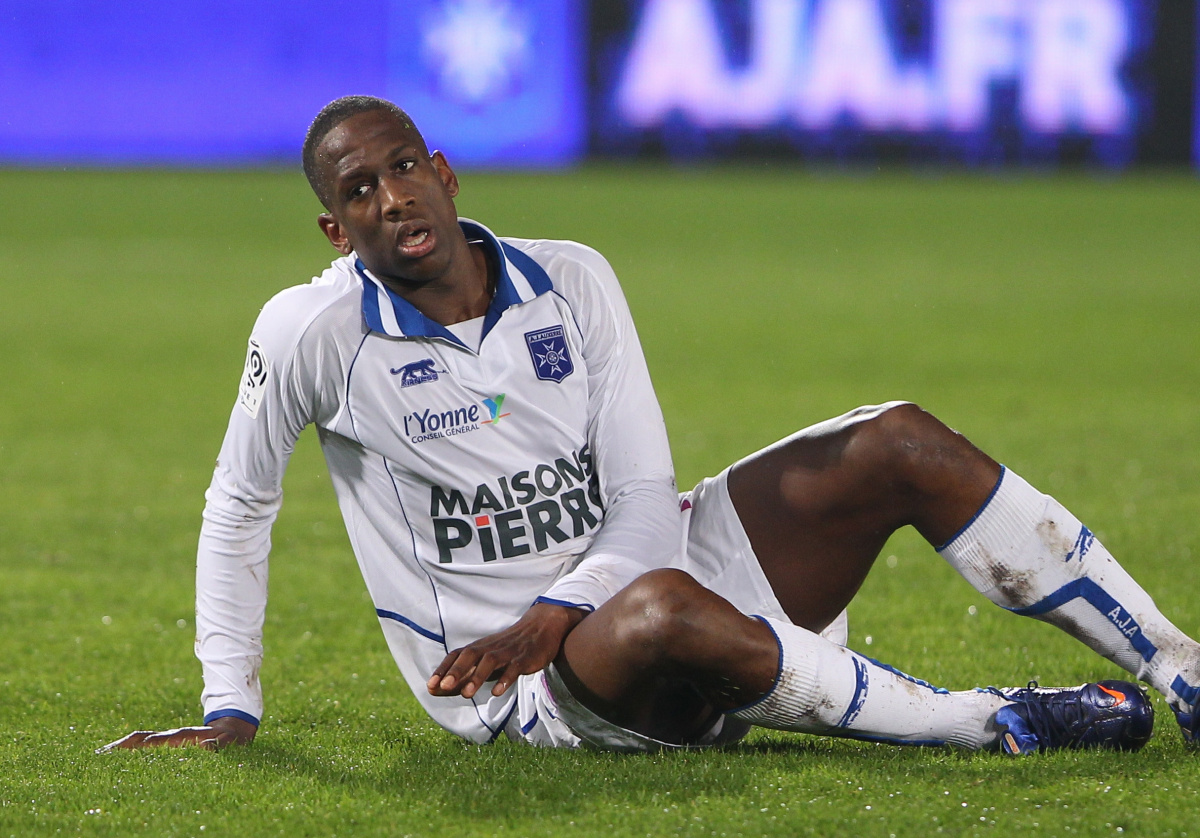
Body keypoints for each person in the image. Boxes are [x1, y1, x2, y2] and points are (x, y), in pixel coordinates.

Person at [105, 95, 1200, 757]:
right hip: (527, 687)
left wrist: (557, 607)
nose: (391, 196)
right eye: (359, 190)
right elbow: (239, 503)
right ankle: (990, 720)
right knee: (661, 608)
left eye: (403, 168)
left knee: (897, 439)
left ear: (444, 174)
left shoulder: (572, 279)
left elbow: (639, 496)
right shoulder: (312, 333)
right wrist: (230, 703)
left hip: (643, 575)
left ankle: (1177, 666)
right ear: (336, 230)